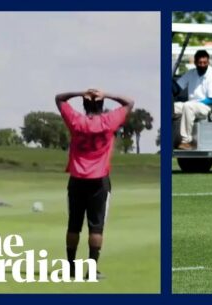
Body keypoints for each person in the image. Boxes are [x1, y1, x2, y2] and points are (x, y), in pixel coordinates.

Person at [55, 89, 134, 279]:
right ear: (101, 105)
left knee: (74, 225)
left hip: (76, 179)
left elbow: (59, 98)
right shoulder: (108, 121)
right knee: (96, 227)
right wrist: (106, 94)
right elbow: (129, 102)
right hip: (99, 181)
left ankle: (71, 268)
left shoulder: (75, 120)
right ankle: (91, 269)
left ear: (84, 105)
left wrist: (81, 92)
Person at [173, 50, 212, 150]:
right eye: (200, 63)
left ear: (208, 62)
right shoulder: (191, 73)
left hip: (208, 107)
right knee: (171, 107)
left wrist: (193, 103)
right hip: (193, 105)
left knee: (188, 106)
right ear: (195, 63)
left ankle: (186, 141)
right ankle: (170, 138)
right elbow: (177, 87)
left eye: (205, 63)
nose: (202, 65)